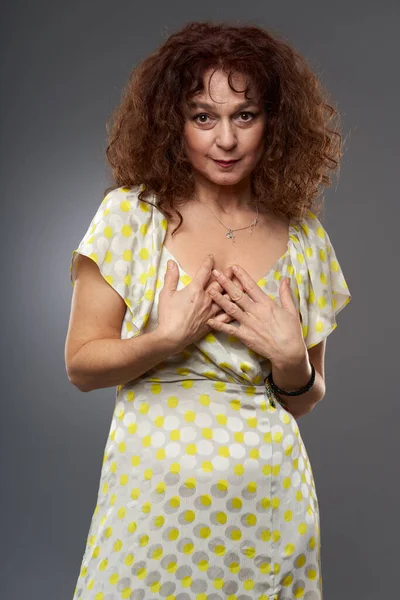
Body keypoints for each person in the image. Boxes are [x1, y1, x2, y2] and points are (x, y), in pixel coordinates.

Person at [65, 20, 352, 600]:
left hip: (269, 504)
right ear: (174, 124)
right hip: (151, 506)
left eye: (244, 116)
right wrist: (164, 340)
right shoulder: (130, 218)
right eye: (204, 117)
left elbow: (304, 397)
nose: (226, 139)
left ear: (274, 123)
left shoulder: (304, 240)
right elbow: (81, 365)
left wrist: (292, 359)